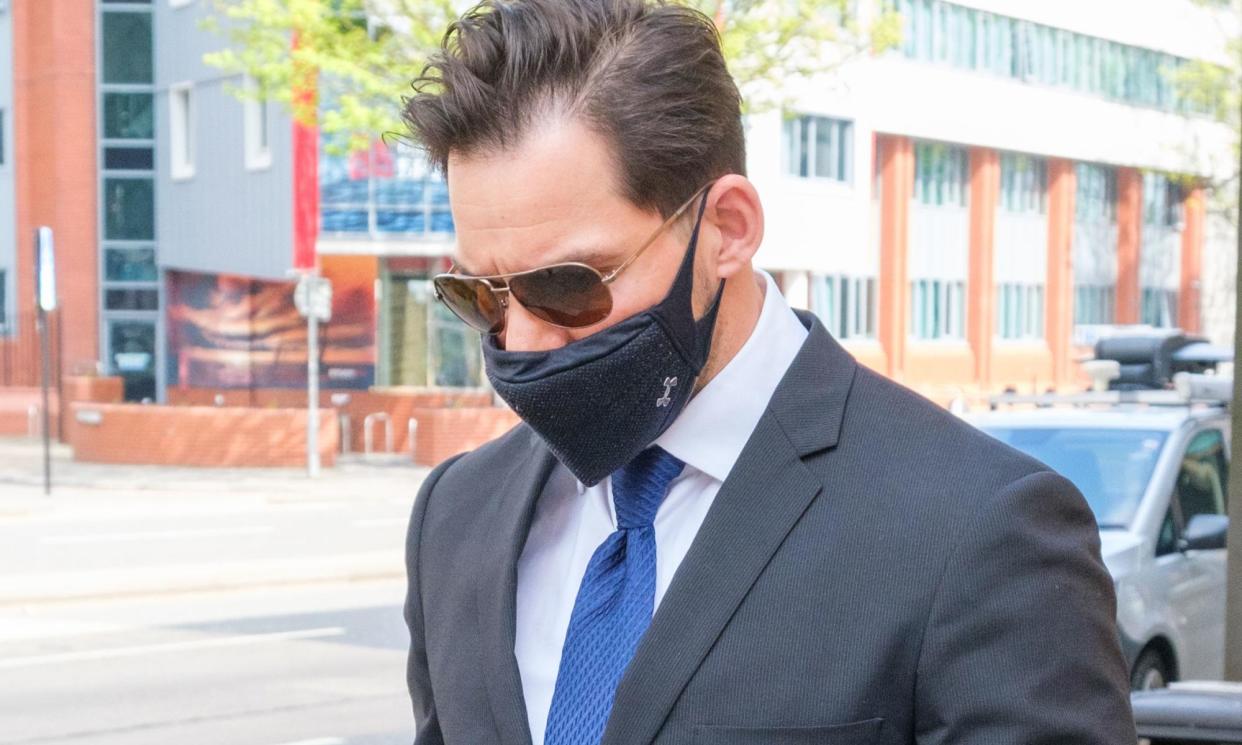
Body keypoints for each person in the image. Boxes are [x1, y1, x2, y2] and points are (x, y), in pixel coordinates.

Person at [400, 1, 1137, 743]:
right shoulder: (455, 514)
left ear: (728, 228)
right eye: (480, 293)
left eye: (566, 284)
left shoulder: (978, 528)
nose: (521, 340)